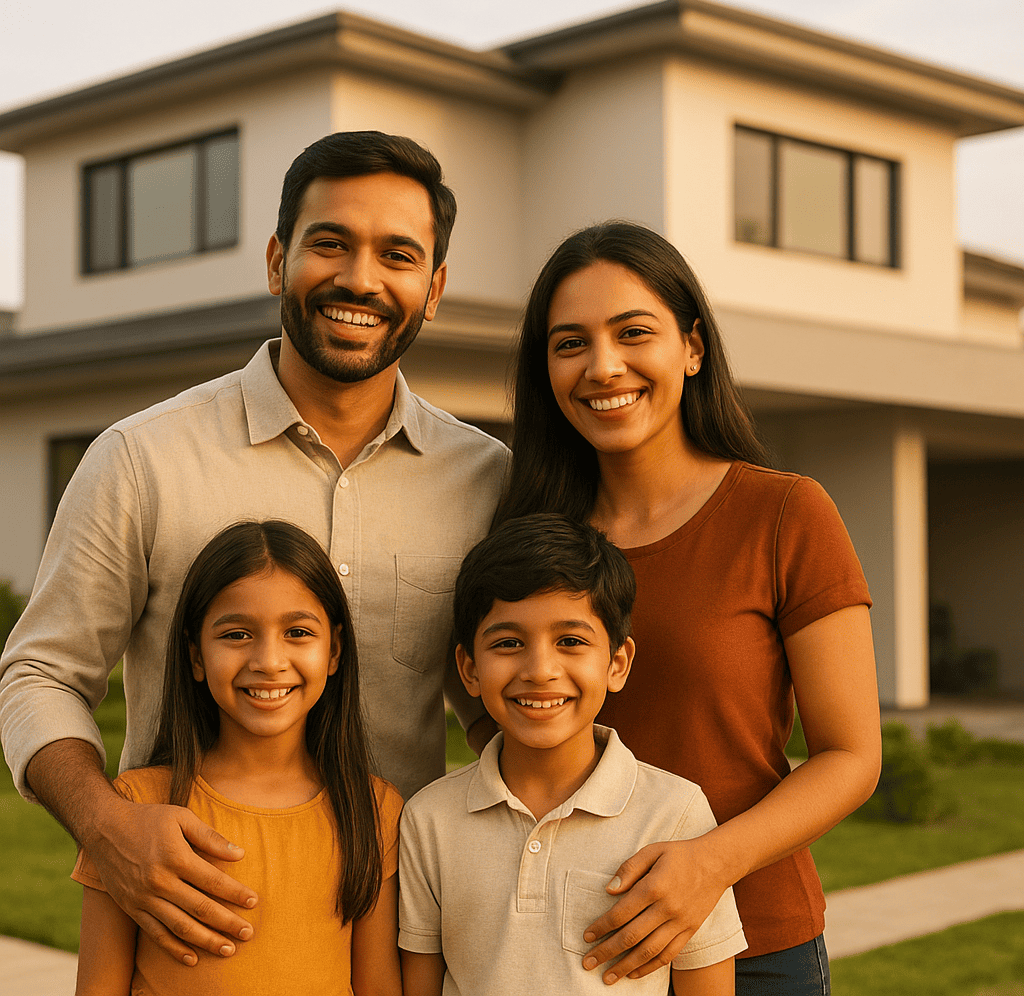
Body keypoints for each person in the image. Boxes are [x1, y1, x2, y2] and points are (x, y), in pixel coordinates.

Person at [0, 131, 506, 968]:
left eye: (399, 254)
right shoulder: (142, 459)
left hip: (404, 934)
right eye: (330, 243)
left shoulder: (489, 482)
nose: (360, 279)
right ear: (277, 260)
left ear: (435, 286)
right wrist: (108, 825)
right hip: (188, 935)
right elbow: (38, 674)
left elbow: (502, 700)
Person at [494, 222, 881, 994]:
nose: (603, 366)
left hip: (755, 944)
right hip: (569, 944)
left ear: (692, 348)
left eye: (633, 332)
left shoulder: (785, 515)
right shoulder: (525, 539)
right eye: (570, 342)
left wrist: (708, 864)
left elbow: (851, 757)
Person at [399, 513, 747, 996]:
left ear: (617, 663)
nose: (540, 670)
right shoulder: (428, 819)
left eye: (570, 641)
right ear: (469, 669)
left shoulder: (675, 811)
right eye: (508, 643)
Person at [74, 521, 402, 996]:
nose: (269, 660)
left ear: (333, 651)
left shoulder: (372, 810)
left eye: (297, 632)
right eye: (236, 635)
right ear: (195, 657)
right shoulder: (136, 809)